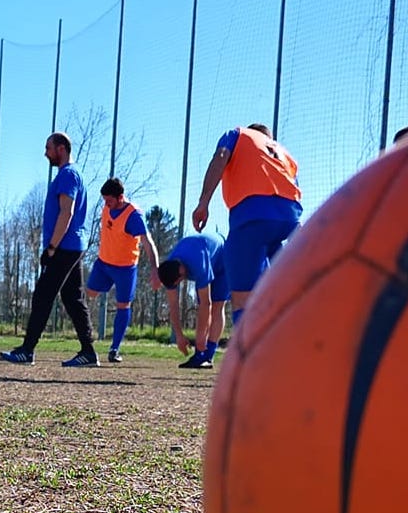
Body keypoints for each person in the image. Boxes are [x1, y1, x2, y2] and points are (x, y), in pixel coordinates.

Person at [0, 132, 98, 368]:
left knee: (43, 295)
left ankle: (27, 350)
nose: (45, 153)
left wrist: (52, 246)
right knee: (72, 298)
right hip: (72, 246)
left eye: (48, 148)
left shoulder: (68, 175)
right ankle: (88, 352)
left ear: (61, 149)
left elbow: (67, 212)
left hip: (65, 246)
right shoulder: (70, 175)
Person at [190, 122, 300, 332]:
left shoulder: (238, 134)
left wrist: (203, 202)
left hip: (253, 214)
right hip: (290, 219)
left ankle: (249, 359)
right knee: (274, 293)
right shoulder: (283, 153)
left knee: (242, 300)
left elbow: (221, 157)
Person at [86, 178, 160, 364]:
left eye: (109, 201)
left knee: (123, 305)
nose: (106, 204)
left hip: (125, 268)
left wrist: (155, 269)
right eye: (104, 200)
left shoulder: (133, 216)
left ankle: (114, 348)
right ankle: (86, 337)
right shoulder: (107, 207)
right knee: (88, 294)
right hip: (103, 263)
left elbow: (147, 241)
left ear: (120, 197)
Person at [157, 233, 230, 369]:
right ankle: (199, 355)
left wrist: (200, 338)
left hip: (224, 259)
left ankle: (208, 355)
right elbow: (173, 305)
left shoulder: (198, 264)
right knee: (202, 305)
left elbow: (206, 304)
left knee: (217, 305)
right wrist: (178, 335)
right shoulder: (169, 270)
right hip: (204, 254)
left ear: (181, 271)